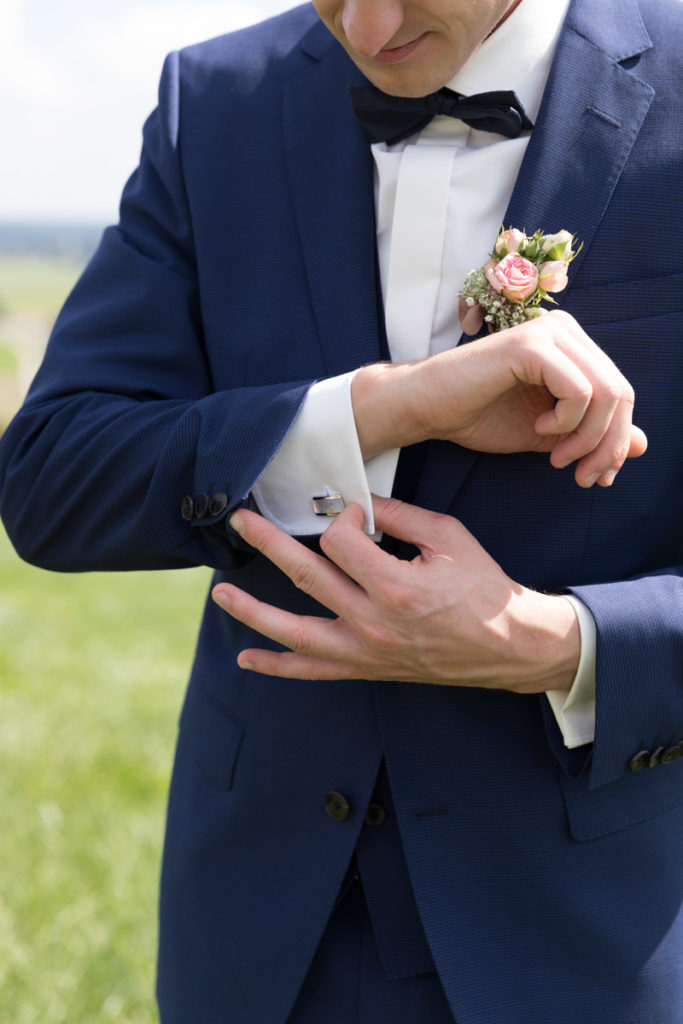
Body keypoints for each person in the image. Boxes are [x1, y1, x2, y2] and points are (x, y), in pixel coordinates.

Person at [1, 0, 682, 1021]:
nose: (364, 27)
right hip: (263, 938)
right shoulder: (215, 101)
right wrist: (373, 410)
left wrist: (555, 647)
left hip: (586, 940)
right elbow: (53, 479)